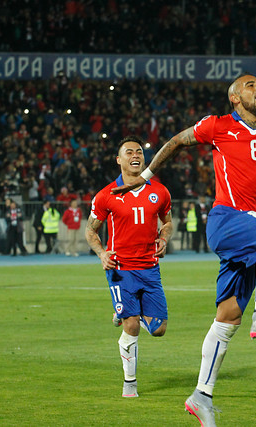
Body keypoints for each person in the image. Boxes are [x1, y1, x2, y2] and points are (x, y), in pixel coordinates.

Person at [112, 76, 256, 427]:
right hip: (227, 219)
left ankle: (201, 395)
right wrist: (147, 176)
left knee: (227, 318)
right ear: (234, 97)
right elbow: (176, 142)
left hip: (251, 235)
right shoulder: (217, 126)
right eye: (249, 85)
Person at [85, 135, 173, 399]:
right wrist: (101, 253)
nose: (135, 156)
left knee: (159, 329)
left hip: (150, 268)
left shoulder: (160, 191)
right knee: (132, 326)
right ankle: (130, 385)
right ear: (118, 160)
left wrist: (164, 237)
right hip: (120, 269)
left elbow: (167, 222)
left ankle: (122, 313)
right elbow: (91, 231)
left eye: (139, 152)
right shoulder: (106, 195)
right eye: (129, 152)